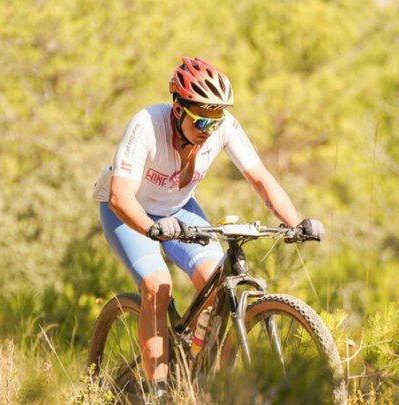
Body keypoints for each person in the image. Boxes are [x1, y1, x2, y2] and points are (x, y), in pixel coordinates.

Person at [92, 56, 325, 398]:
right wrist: (151, 229)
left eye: (216, 120)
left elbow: (260, 179)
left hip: (178, 209)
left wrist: (296, 223)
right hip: (129, 210)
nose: (210, 129)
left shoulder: (223, 126)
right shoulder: (147, 124)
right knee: (158, 286)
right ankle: (159, 393)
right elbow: (120, 196)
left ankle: (196, 364)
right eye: (202, 120)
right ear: (178, 109)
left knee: (214, 279)